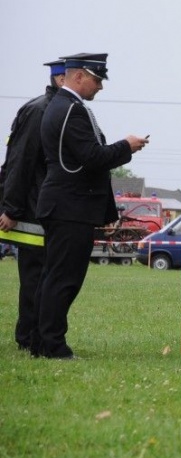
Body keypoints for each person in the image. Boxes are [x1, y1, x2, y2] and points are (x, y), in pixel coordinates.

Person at [34, 53, 149, 359]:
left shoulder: (63, 106)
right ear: (79, 76)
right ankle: (53, 345)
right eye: (97, 80)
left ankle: (42, 340)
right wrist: (127, 146)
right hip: (69, 207)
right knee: (64, 279)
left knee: (54, 277)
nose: (100, 86)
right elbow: (93, 158)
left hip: (65, 205)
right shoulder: (71, 111)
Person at [0, 59, 66, 351]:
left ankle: (34, 334)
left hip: (46, 210)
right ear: (63, 79)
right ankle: (27, 337)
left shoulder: (56, 109)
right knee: (35, 279)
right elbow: (19, 162)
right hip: (30, 213)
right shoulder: (40, 111)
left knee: (44, 277)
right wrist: (11, 209)